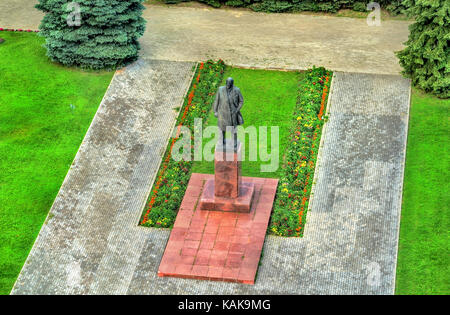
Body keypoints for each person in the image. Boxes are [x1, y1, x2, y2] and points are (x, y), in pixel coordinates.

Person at [213, 77, 244, 150]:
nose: (228, 85)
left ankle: (234, 142)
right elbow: (216, 100)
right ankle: (221, 141)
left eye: (229, 84)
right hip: (222, 113)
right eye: (227, 83)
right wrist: (215, 111)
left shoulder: (237, 90)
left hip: (232, 113)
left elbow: (241, 101)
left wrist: (237, 110)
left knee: (233, 129)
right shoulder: (220, 89)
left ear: (232, 84)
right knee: (221, 128)